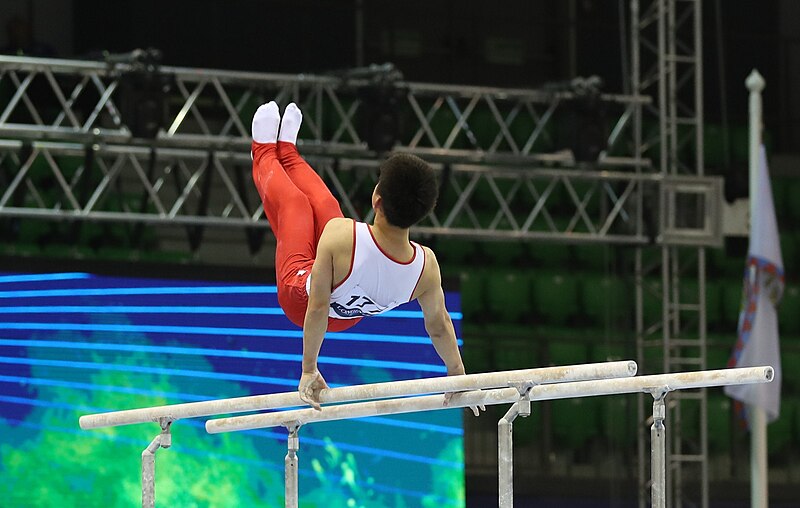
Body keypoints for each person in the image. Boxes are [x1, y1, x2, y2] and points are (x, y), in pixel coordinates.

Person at [251, 101, 481, 414]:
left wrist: (308, 369)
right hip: (348, 315)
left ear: (377, 198)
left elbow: (317, 307)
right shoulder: (425, 267)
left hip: (300, 300)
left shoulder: (343, 236)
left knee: (295, 205)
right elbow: (439, 325)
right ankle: (289, 154)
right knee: (326, 204)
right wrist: (456, 373)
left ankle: (263, 151)